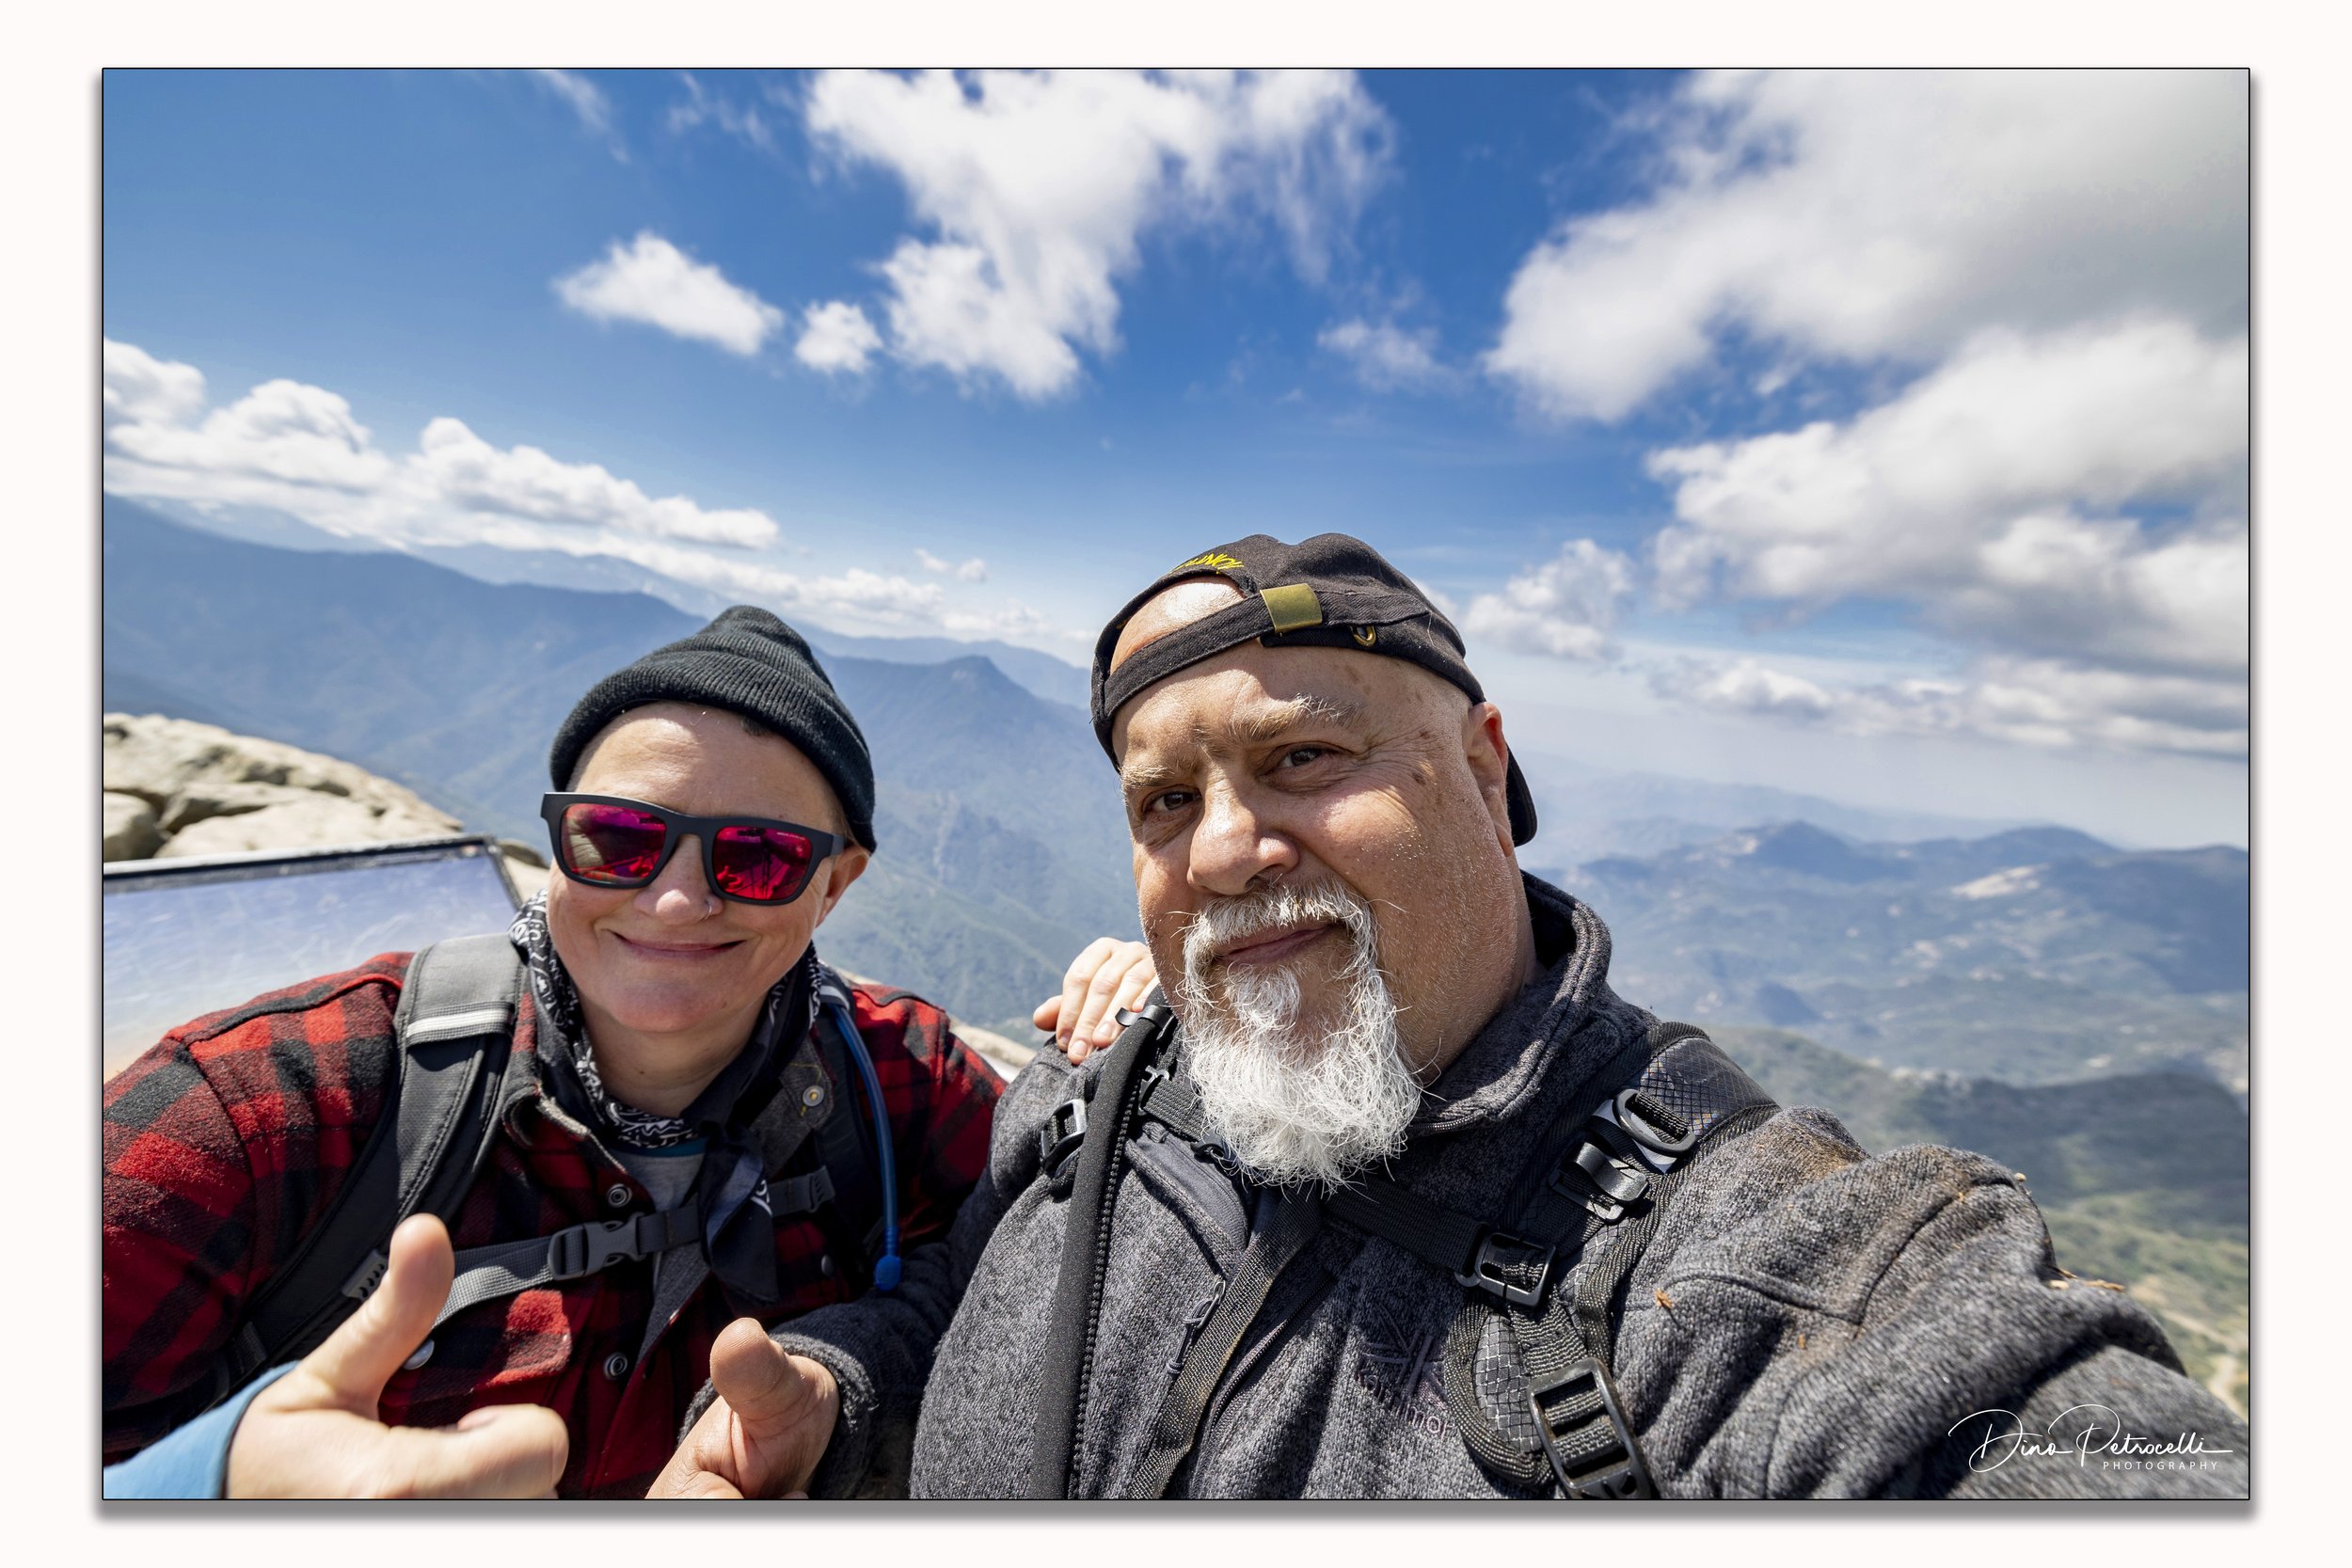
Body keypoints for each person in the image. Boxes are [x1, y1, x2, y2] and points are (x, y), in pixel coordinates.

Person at [654, 535, 2249, 1500]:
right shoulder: (1098, 1091)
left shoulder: (1738, 1267)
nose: (1221, 849)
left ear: (1485, 766)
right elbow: (961, 1294)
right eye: (1165, 800)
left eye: (1302, 760)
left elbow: (2021, 1424)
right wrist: (843, 1397)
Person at [102, 606, 1151, 1498]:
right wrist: (211, 1479)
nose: (676, 897)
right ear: (556, 839)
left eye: (760, 855)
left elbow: (1061, 1253)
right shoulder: (266, 1105)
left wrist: (1160, 1009)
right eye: (618, 837)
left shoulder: (897, 1079)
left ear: (837, 882)